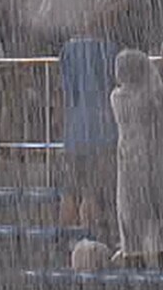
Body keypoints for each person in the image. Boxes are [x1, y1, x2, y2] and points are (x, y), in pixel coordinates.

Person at [111, 49, 163, 269]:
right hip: (158, 168)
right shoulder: (154, 97)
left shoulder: (116, 98)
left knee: (131, 228)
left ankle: (134, 270)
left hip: (129, 170)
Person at [58, 29, 120, 235]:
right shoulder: (109, 49)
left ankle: (64, 239)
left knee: (70, 190)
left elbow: (67, 92)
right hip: (102, 129)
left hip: (75, 129)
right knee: (92, 190)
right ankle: (90, 236)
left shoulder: (68, 50)